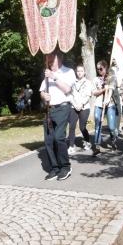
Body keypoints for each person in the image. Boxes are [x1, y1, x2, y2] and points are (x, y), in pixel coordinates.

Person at [39, 48, 76, 181]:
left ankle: (65, 167)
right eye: (48, 60)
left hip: (63, 108)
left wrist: (54, 77)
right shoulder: (47, 74)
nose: (49, 62)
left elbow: (67, 89)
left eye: (51, 59)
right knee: (48, 140)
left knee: (59, 137)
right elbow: (41, 91)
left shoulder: (68, 72)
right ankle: (54, 168)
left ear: (59, 58)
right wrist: (44, 96)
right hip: (49, 110)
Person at [91, 60, 119, 155]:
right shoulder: (96, 79)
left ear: (105, 68)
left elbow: (111, 89)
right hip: (99, 104)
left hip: (110, 104)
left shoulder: (111, 77)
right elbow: (94, 92)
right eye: (98, 69)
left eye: (101, 69)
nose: (99, 70)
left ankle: (113, 140)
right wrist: (103, 89)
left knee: (111, 127)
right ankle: (97, 146)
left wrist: (107, 99)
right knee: (97, 124)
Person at [68, 64, 93, 153]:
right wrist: (75, 105)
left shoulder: (88, 82)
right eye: (78, 71)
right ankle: (71, 146)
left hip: (84, 107)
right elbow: (69, 94)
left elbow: (88, 95)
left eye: (81, 71)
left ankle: (87, 141)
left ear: (84, 72)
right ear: (76, 72)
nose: (79, 73)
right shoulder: (72, 82)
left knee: (82, 127)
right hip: (73, 106)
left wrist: (81, 104)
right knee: (72, 126)